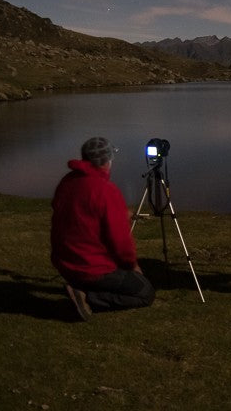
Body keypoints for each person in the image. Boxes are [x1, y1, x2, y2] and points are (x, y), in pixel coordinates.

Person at [51, 137, 155, 321]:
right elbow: (121, 242)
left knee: (131, 281)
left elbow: (77, 214)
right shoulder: (106, 190)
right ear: (107, 161)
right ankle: (88, 298)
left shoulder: (68, 181)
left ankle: (81, 288)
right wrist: (132, 266)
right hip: (91, 266)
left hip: (64, 262)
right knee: (144, 291)